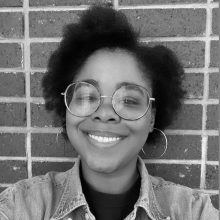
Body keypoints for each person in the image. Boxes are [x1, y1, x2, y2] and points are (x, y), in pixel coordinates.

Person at [0, 4, 218, 220]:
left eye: (129, 100)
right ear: (66, 108)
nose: (105, 113)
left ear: (151, 117)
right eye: (86, 96)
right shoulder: (21, 205)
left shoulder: (193, 211)